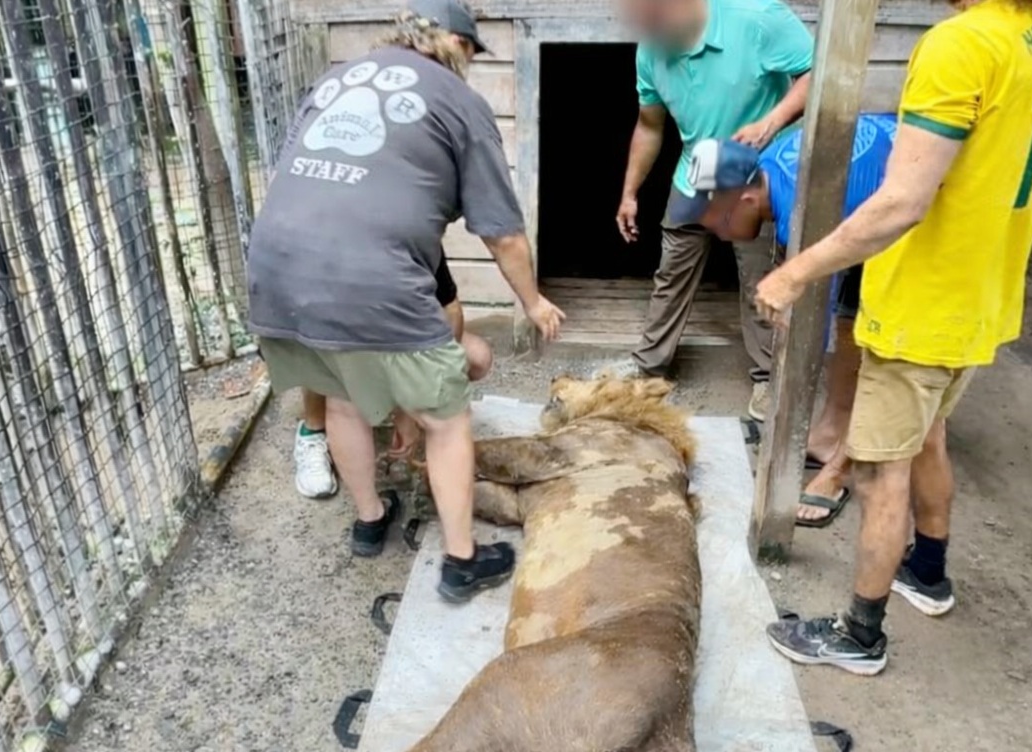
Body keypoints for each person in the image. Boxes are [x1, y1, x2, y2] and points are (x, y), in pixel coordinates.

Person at [754, 0, 1032, 674]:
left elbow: (902, 201)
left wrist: (793, 274)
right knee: (928, 436)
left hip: (921, 306)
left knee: (880, 471)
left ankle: (860, 636)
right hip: (984, 297)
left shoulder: (961, 44)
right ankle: (928, 572)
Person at [248, 0, 565, 603]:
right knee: (447, 420)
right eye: (471, 53)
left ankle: (369, 522)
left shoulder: (337, 79)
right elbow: (501, 233)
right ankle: (462, 561)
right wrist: (531, 302)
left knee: (341, 399)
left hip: (278, 269)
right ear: (456, 46)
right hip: (370, 275)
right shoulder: (458, 100)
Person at [671, 114, 899, 529]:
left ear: (745, 200)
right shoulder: (770, 168)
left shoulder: (805, 212)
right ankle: (830, 432)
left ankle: (841, 470)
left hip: (919, 214)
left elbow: (812, 331)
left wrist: (790, 308)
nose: (711, 228)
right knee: (848, 320)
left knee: (882, 348)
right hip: (870, 191)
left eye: (714, 217)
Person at [613, 0, 816, 422]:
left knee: (761, 280)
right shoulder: (650, 51)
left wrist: (771, 121)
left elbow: (818, 73)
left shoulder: (756, 18)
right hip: (695, 173)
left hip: (754, 177)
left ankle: (767, 378)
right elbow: (650, 125)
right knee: (671, 274)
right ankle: (649, 369)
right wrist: (630, 192)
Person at [292, 255, 492, 498]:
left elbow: (448, 310)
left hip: (399, 331)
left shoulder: (416, 240)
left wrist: (412, 407)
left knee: (478, 356)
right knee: (335, 371)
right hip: (340, 329)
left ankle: (416, 410)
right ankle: (313, 430)